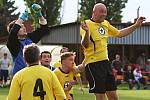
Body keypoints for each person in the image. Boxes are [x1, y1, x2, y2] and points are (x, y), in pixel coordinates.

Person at [80, 3, 145, 100]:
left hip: (106, 63)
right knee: (100, 96)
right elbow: (85, 44)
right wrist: (87, 32)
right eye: (101, 12)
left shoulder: (105, 24)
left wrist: (135, 25)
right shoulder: (86, 24)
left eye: (105, 12)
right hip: (93, 64)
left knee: (114, 97)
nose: (104, 14)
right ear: (94, 12)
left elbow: (120, 33)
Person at [6, 4, 49, 75]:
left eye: (24, 26)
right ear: (16, 30)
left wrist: (39, 15)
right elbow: (13, 33)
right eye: (21, 27)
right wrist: (23, 16)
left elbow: (44, 30)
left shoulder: (30, 38)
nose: (24, 28)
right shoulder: (13, 44)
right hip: (20, 74)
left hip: (34, 73)